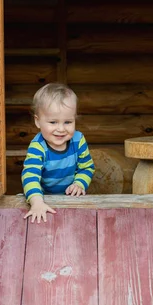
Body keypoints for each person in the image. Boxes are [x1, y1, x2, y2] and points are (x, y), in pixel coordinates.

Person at [21, 83, 95, 223]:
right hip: (44, 199)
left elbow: (87, 168)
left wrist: (79, 184)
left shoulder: (78, 140)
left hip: (72, 199)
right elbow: (30, 175)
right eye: (53, 122)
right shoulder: (38, 147)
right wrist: (36, 202)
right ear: (38, 122)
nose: (61, 129)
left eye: (67, 122)